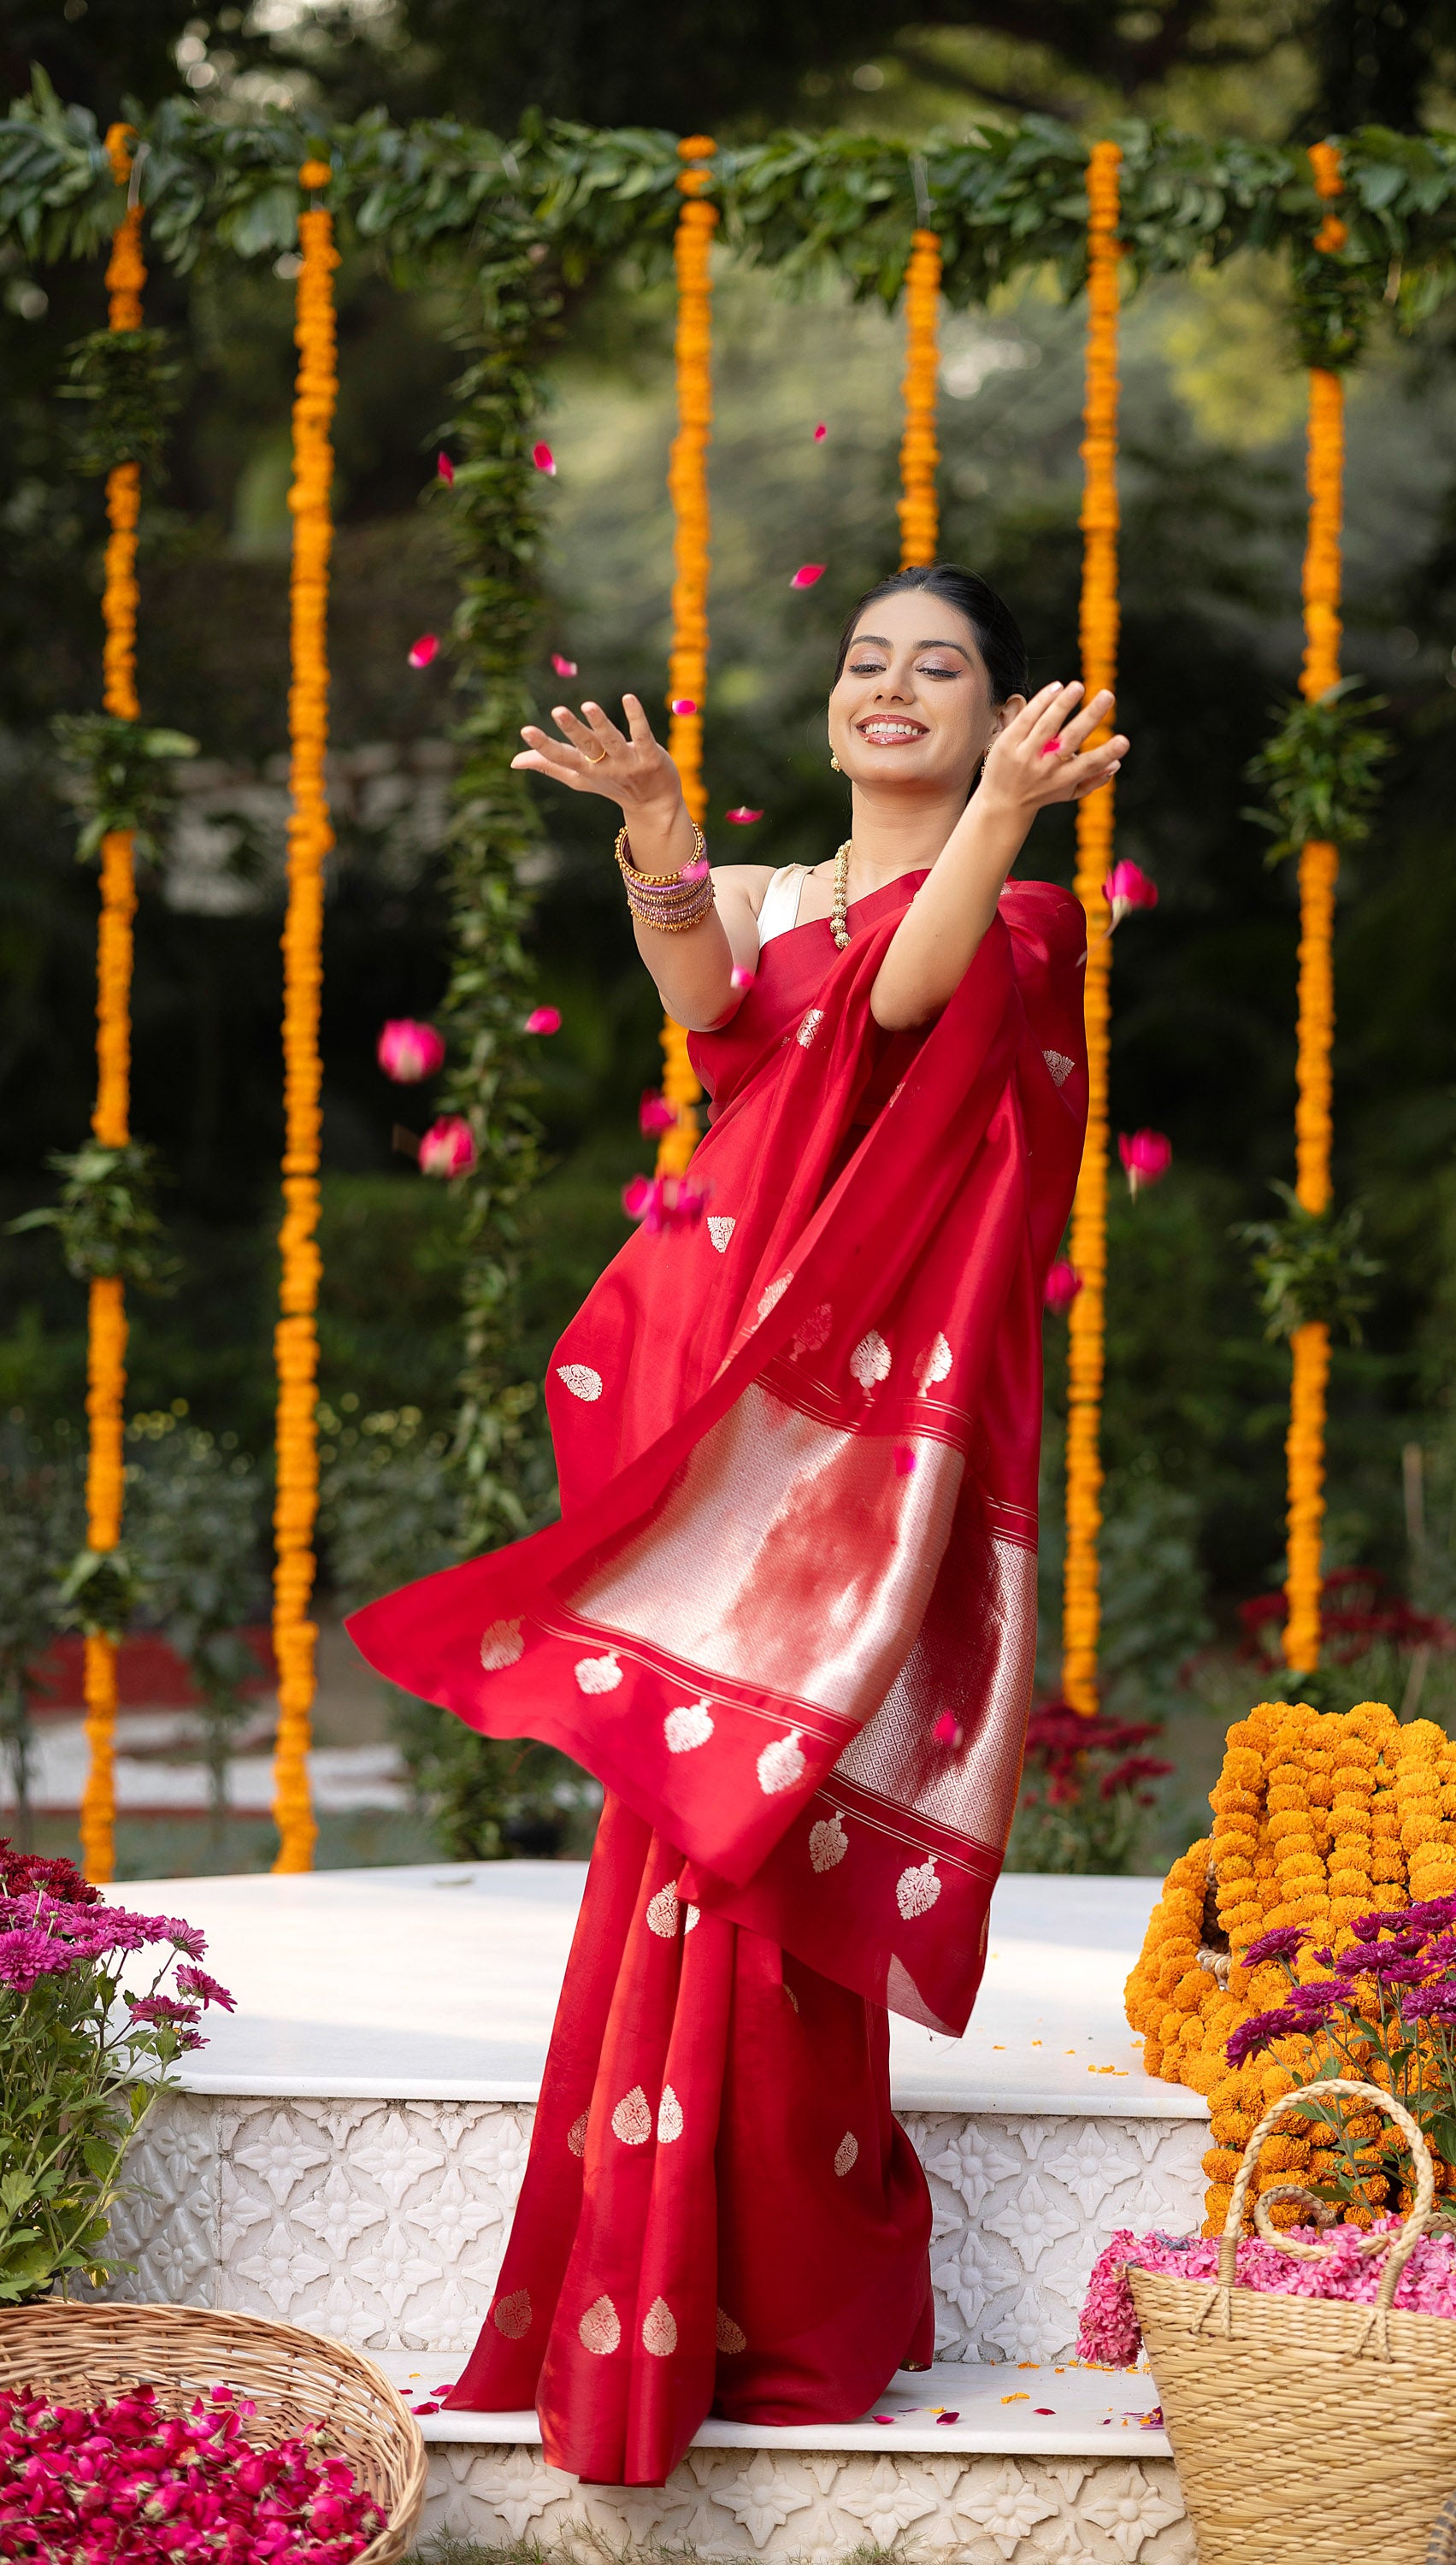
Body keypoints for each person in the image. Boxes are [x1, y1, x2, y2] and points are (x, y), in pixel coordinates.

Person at [348, 563, 1128, 2486]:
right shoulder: (788, 896)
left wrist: (1010, 821)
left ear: (994, 715)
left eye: (938, 667)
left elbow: (912, 1001)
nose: (891, 686)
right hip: (726, 1448)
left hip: (860, 1476)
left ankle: (799, 2291)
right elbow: (721, 1020)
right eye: (867, 656)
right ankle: (645, 2289)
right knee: (684, 1834)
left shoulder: (1018, 905)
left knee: (774, 1842)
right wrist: (659, 840)